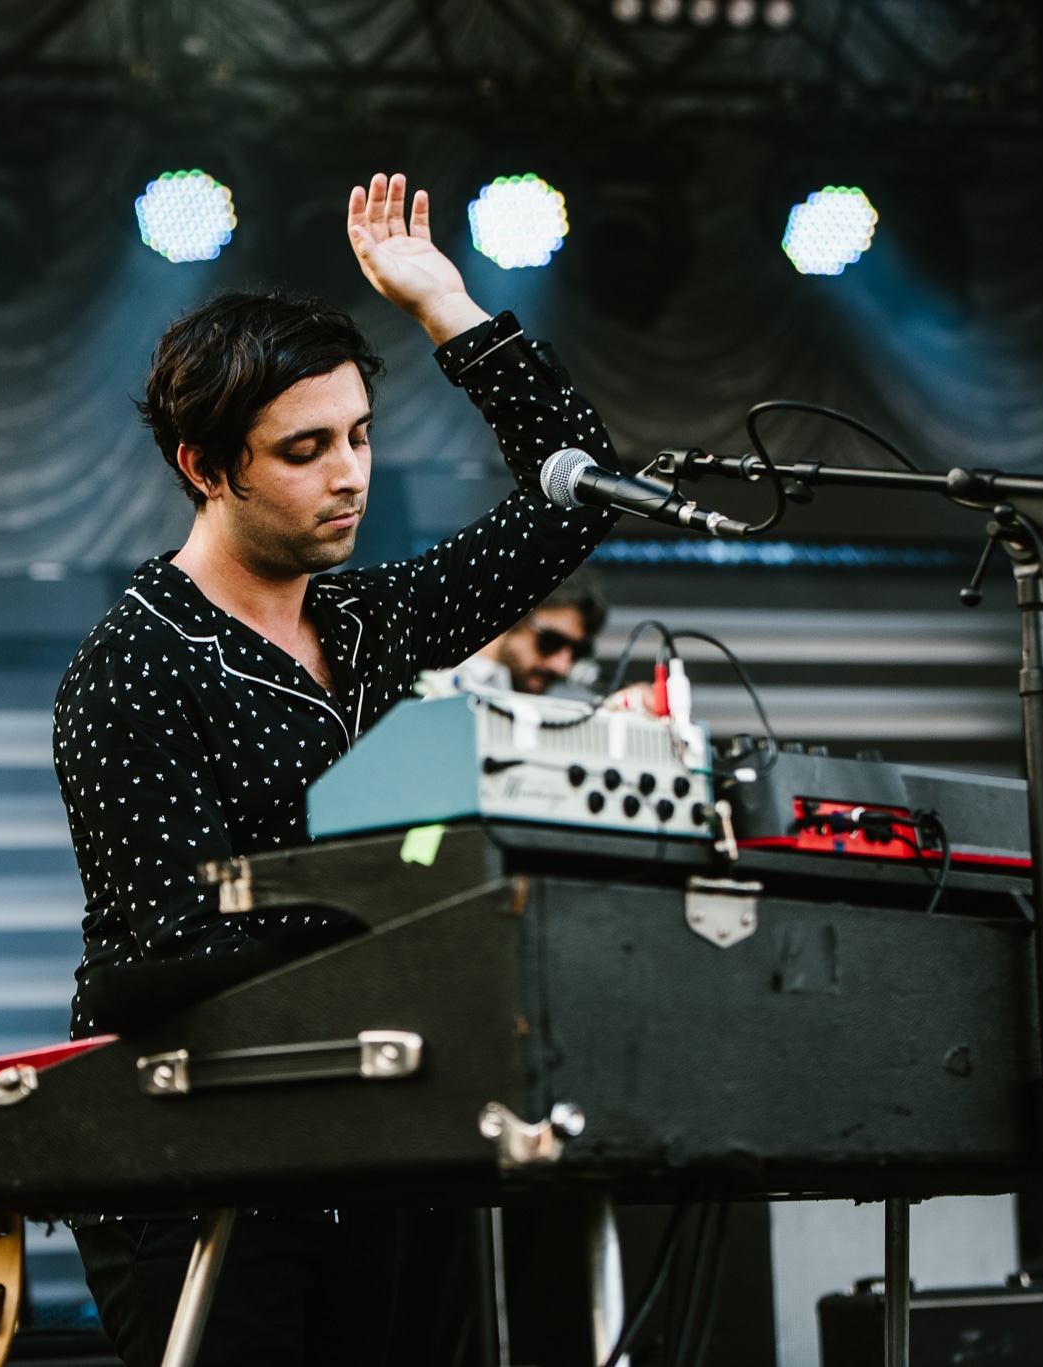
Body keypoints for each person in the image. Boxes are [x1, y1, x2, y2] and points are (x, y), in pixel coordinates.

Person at [51, 172, 625, 1365]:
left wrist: (445, 307)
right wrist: (410, 918)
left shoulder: (371, 619)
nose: (349, 473)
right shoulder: (134, 663)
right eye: (304, 449)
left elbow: (575, 487)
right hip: (198, 1161)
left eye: (359, 435)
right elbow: (161, 951)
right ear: (204, 464)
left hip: (376, 1136)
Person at [454, 565, 608, 695]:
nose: (562, 667)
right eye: (551, 642)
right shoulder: (445, 680)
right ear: (512, 616)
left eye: (579, 651)